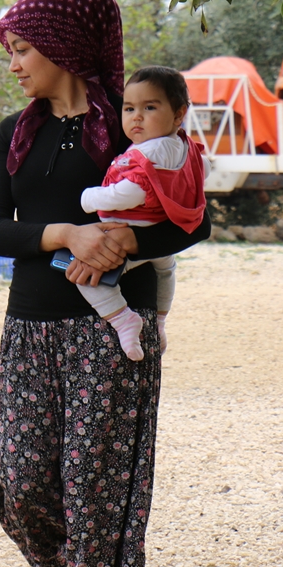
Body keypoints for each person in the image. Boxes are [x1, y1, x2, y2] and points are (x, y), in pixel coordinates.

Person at [0, 0, 210, 567]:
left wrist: (123, 246)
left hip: (113, 333)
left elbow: (194, 218)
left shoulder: (132, 122)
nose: (15, 62)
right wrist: (67, 233)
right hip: (29, 328)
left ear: (64, 44)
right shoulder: (13, 132)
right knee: (22, 482)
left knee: (98, 496)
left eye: (24, 48)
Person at [78, 66, 206, 361]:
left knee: (87, 279)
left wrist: (89, 197)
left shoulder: (145, 152)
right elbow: (204, 170)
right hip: (163, 235)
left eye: (149, 107)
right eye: (129, 108)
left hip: (127, 233)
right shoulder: (184, 146)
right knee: (166, 270)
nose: (136, 116)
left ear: (178, 114)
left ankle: (124, 320)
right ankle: (160, 320)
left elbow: (131, 193)